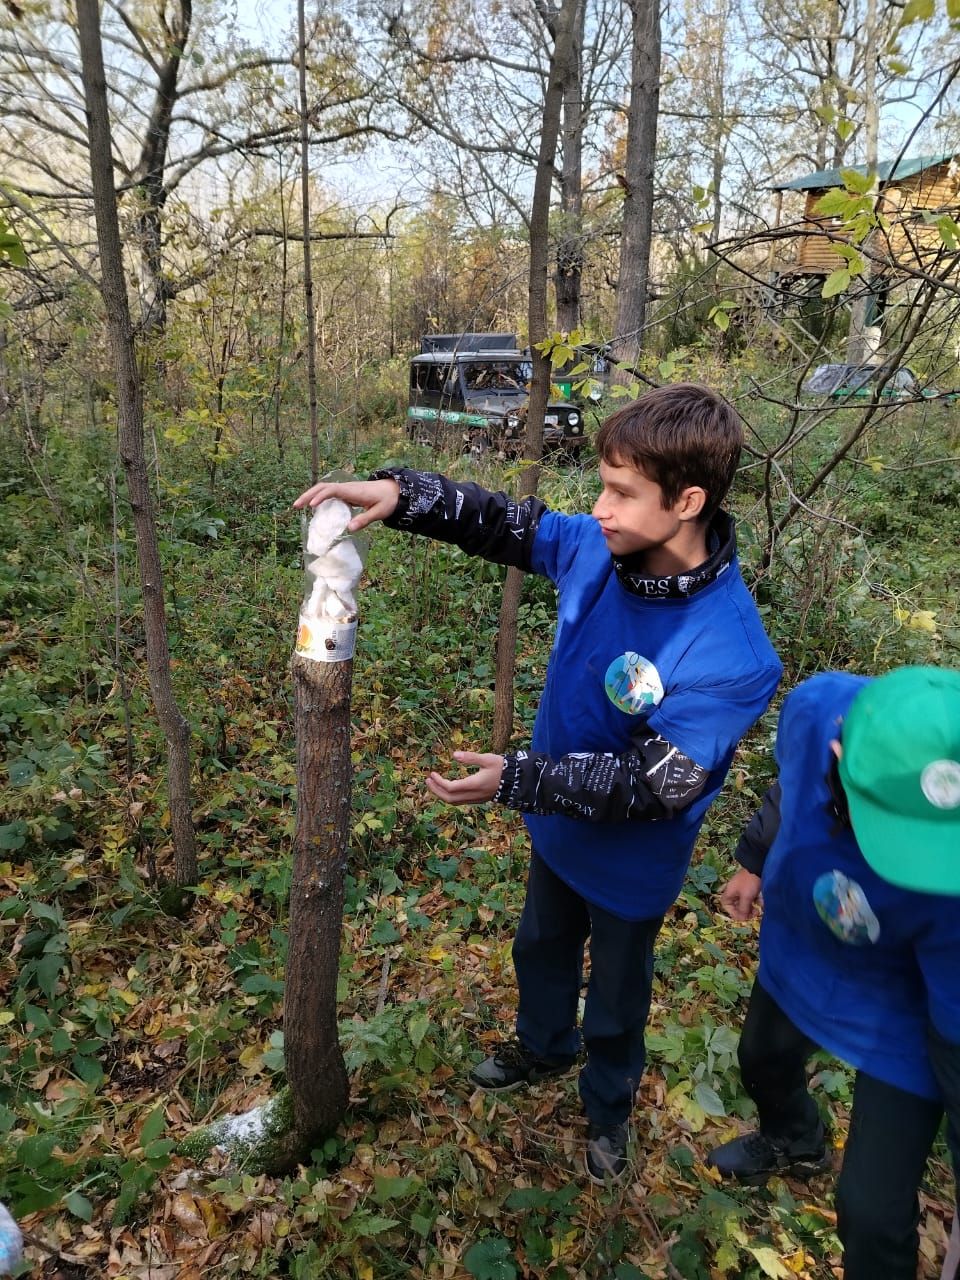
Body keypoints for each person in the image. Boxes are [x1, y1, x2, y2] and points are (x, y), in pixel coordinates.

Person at [294, 383, 782, 1182]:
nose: (600, 507)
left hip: (632, 868)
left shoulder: (731, 652)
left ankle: (607, 1112)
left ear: (688, 500)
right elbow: (504, 521)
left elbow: (656, 784)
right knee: (542, 948)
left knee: (618, 1001)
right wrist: (403, 493)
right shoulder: (599, 547)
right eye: (601, 484)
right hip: (557, 834)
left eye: (623, 492)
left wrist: (521, 776)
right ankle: (543, 1045)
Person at [708, 666, 960, 1280]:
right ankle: (795, 1139)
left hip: (905, 1004)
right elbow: (790, 783)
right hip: (805, 945)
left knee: (870, 1210)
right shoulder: (819, 708)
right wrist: (753, 860)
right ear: (840, 753)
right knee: (761, 1057)